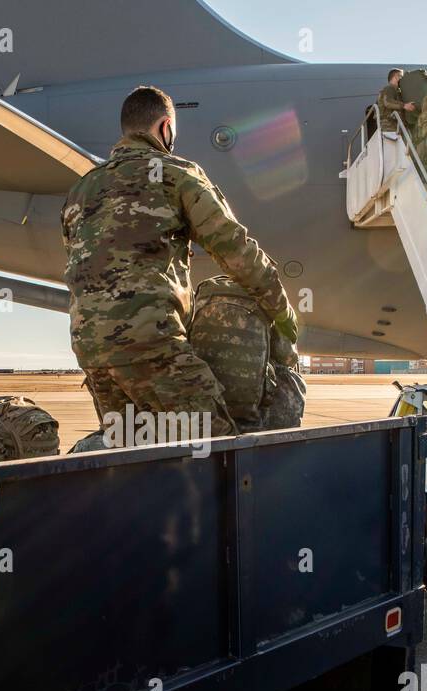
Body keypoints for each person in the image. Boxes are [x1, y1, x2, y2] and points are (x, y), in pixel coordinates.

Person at [61, 86, 298, 442]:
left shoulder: (83, 189)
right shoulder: (177, 174)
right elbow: (236, 250)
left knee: (132, 453)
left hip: (93, 354)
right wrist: (283, 313)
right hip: (153, 348)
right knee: (214, 451)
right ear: (165, 128)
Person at [376, 68, 416, 133]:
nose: (402, 79)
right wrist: (404, 105)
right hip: (389, 126)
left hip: (396, 126)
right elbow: (388, 102)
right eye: (401, 76)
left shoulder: (397, 91)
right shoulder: (389, 88)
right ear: (396, 77)